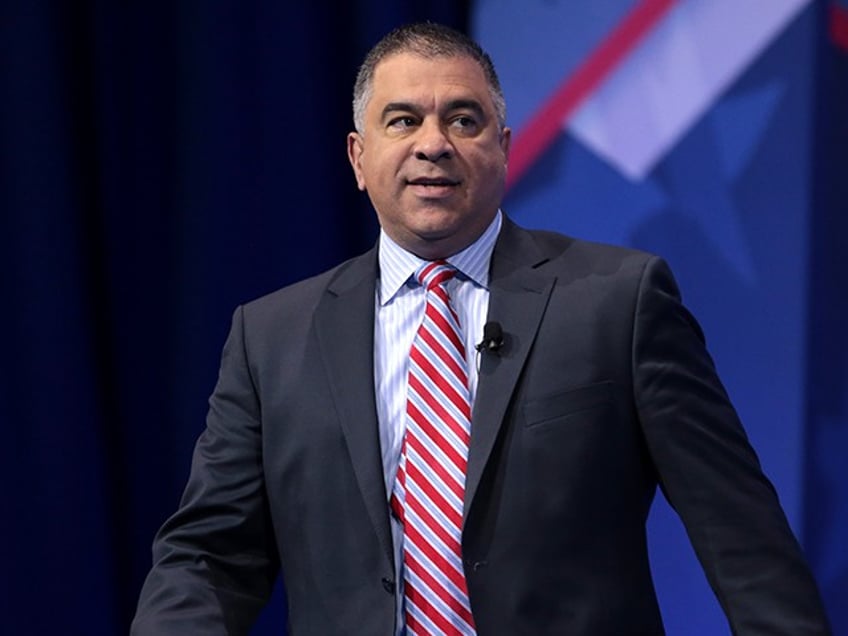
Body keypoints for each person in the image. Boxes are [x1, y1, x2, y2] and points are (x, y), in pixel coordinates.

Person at [131, 22, 831, 635]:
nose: (433, 144)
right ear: (357, 156)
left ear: (502, 146)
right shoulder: (272, 336)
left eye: (462, 120)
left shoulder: (618, 301)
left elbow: (737, 528)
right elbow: (211, 557)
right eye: (402, 120)